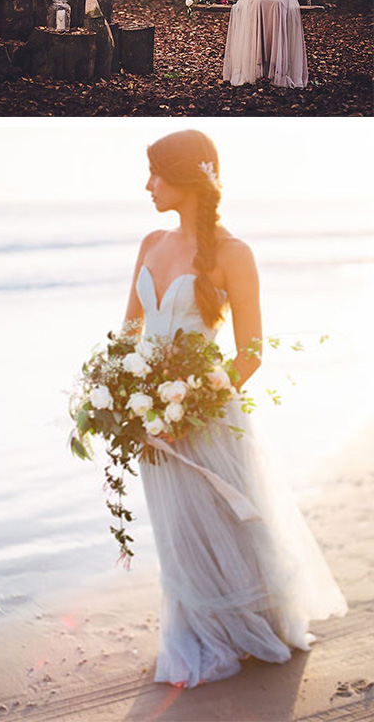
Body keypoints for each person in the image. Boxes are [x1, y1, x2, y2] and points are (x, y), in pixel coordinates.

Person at [123, 129, 345, 688]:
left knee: (227, 525)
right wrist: (126, 397)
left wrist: (188, 407)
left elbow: (250, 354)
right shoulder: (150, 243)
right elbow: (128, 333)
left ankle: (248, 625)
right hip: (151, 417)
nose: (148, 185)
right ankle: (197, 626)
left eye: (159, 173)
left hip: (206, 417)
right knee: (177, 530)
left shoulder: (233, 254)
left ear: (190, 179)